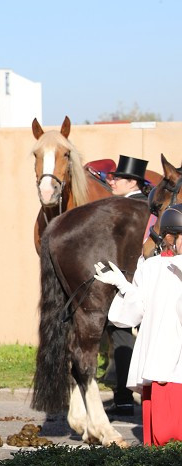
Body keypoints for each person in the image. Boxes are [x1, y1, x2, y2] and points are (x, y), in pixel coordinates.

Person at [94, 203, 182, 446]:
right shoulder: (152, 267)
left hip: (177, 367)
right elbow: (132, 314)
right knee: (161, 442)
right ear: (169, 238)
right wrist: (123, 285)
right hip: (160, 366)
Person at [104, 155, 151, 415]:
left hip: (129, 279)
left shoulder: (127, 208)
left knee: (120, 331)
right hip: (139, 278)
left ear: (132, 182)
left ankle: (123, 397)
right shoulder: (146, 205)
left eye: (118, 177)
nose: (113, 180)